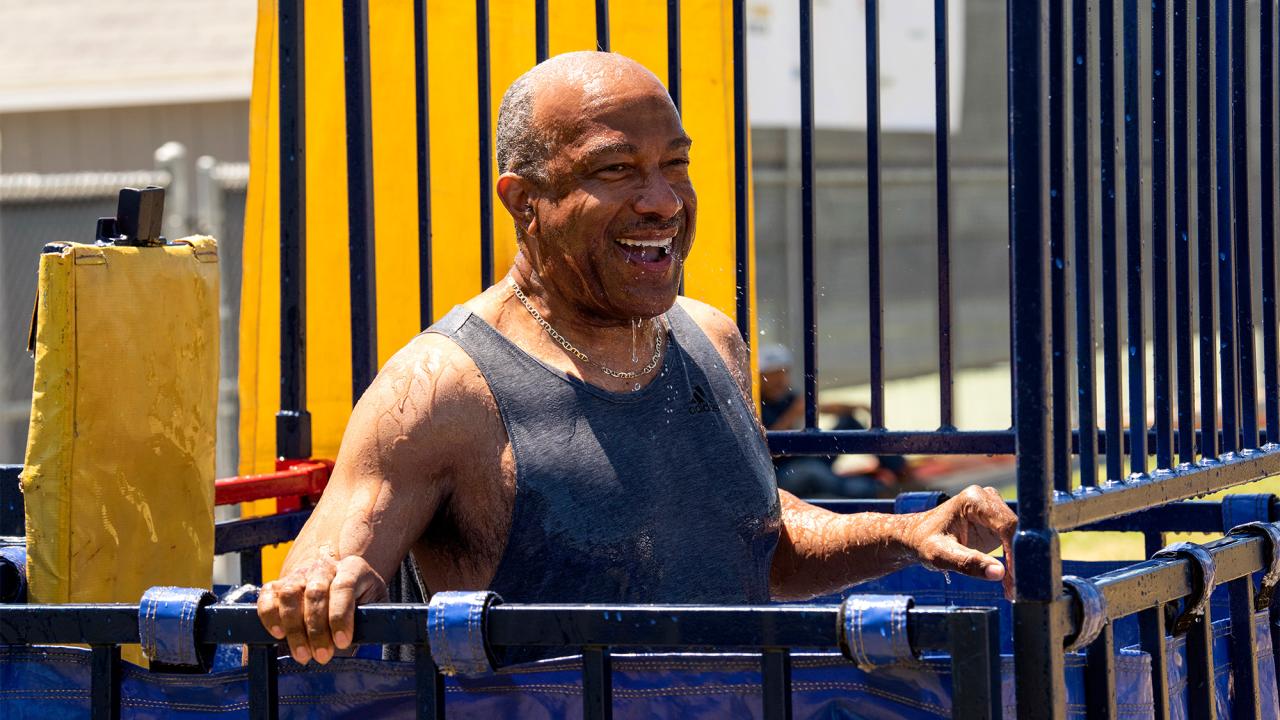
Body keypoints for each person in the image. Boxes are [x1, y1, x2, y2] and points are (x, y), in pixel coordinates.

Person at [257, 51, 1016, 666]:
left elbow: (756, 542)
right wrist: (321, 587)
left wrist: (906, 532)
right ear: (524, 200)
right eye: (615, 170)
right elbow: (321, 568)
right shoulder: (440, 388)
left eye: (675, 165)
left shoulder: (709, 338)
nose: (662, 200)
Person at [758, 344, 909, 498]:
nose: (779, 379)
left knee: (847, 423)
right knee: (812, 471)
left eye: (783, 372)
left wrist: (854, 406)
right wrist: (793, 414)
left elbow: (820, 406)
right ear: (760, 376)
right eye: (772, 374)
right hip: (782, 473)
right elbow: (763, 446)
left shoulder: (787, 397)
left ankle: (900, 469)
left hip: (805, 458)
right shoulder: (755, 403)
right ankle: (874, 491)